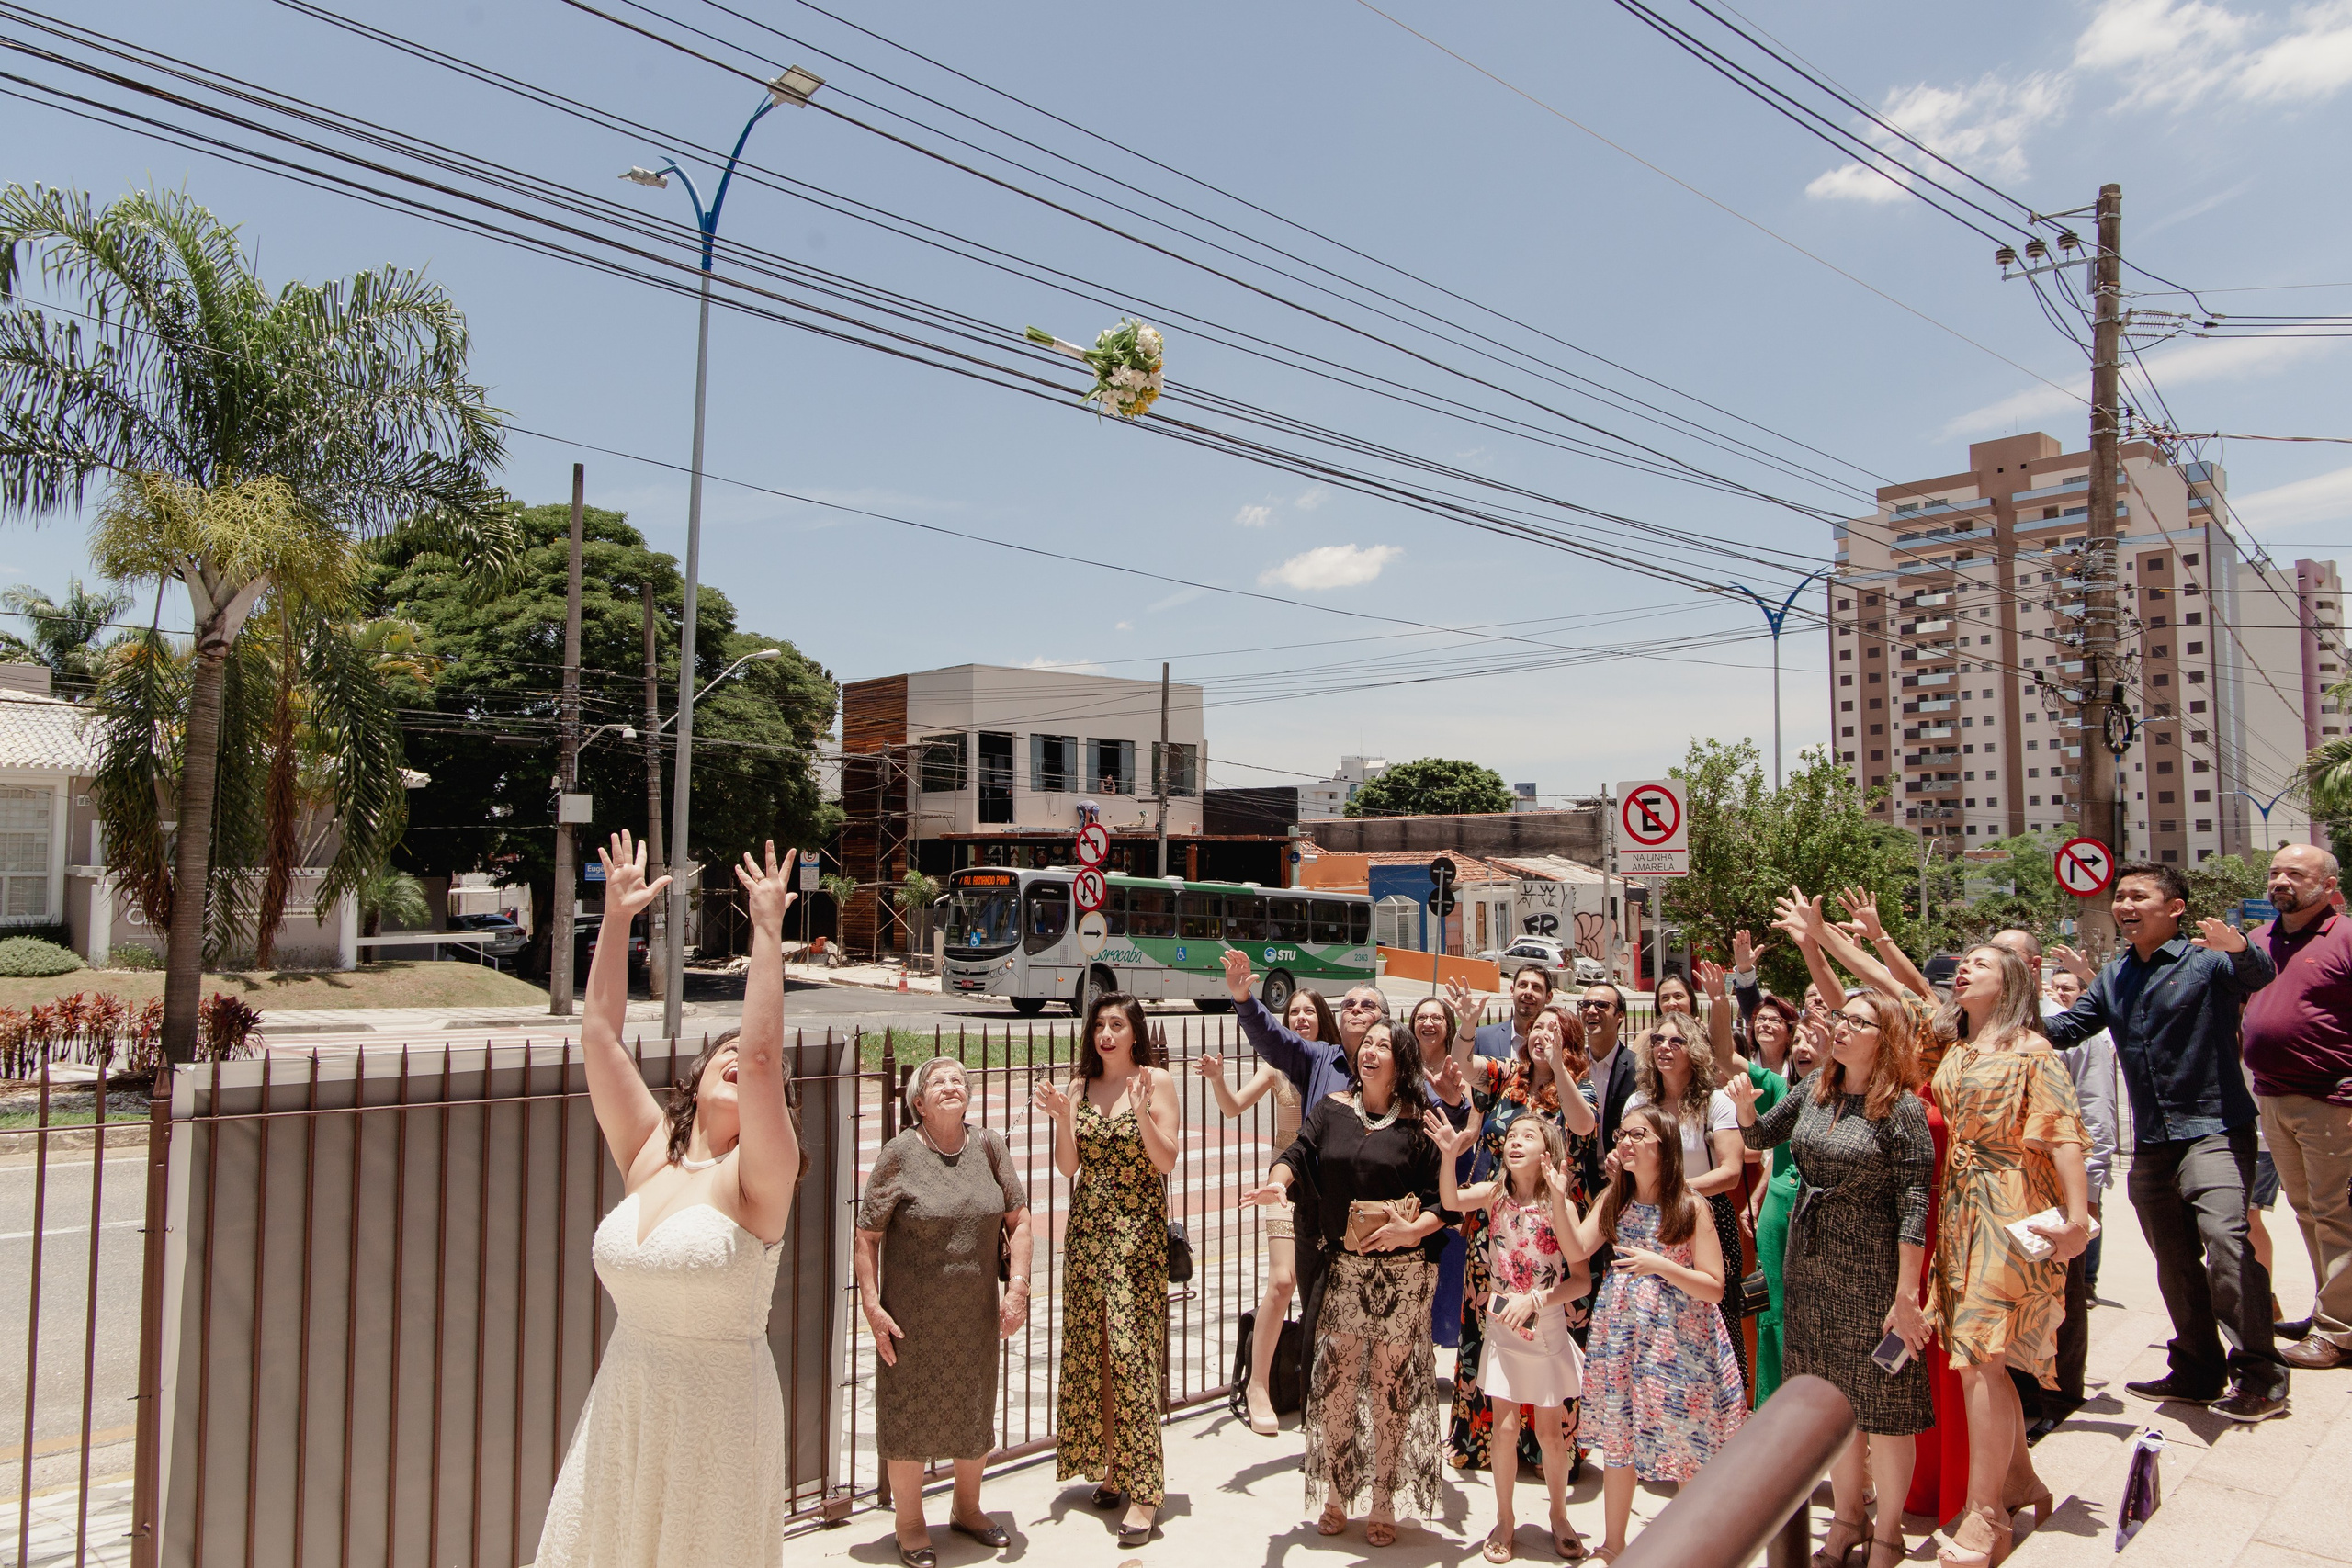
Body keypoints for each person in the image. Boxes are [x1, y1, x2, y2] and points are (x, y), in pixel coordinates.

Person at [537, 835, 805, 1568]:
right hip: (627, 1397)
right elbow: (597, 1035)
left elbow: (757, 1052)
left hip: (713, 1418)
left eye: (757, 1072)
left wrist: (767, 931)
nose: (741, 1061)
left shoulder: (760, 1176)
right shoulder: (653, 1151)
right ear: (694, 1074)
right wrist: (616, 917)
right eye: (719, 1053)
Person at [2045, 863, 2290, 1422]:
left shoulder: (2209, 961)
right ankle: (2199, 1369)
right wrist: (2000, 1013)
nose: (2125, 906)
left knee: (2226, 1240)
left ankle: (2261, 1374)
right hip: (2153, 1142)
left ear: (2174, 908)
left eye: (2139, 896)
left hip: (2214, 1128)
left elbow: (2258, 977)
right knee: (2174, 1261)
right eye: (2120, 898)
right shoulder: (2115, 976)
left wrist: (2242, 950)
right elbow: (2065, 1030)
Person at [1730, 990, 1936, 1568]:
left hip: (1873, 1270)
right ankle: (1848, 1516)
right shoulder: (1818, 1086)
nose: (1840, 1028)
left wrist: (1907, 1295)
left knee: (1885, 1402)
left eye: (1857, 1022)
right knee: (1832, 1398)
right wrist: (1746, 1108)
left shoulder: (1903, 1109)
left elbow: (1916, 1203)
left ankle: (1889, 1534)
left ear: (1885, 1037)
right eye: (1841, 1018)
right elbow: (1761, 1137)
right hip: (1810, 1262)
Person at [1247, 1020, 1450, 1548]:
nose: (1371, 1051)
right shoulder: (1333, 1108)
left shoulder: (1420, 1122)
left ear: (1401, 1061)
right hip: (1345, 1270)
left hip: (1403, 1278)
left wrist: (1412, 1228)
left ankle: (1383, 1499)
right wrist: (1276, 1182)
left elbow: (1444, 1204)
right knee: (1336, 1389)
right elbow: (1297, 1154)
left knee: (1389, 1391)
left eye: (1384, 1044)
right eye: (1368, 1043)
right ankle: (1337, 1492)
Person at [1928, 945, 2091, 1568]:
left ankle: (1985, 1514)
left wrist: (2077, 1220)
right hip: (1961, 1208)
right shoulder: (1960, 1046)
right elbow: (1901, 987)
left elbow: (2063, 1132)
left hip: (2010, 1202)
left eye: (1980, 964)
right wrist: (1831, 941)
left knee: (1980, 1356)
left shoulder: (2033, 1049)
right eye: (1962, 963)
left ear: (2012, 981)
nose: (1964, 969)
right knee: (1978, 1356)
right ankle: (2022, 1484)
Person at [856, 1058, 1034, 1566]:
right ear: (918, 1102)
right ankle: (910, 1522)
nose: (952, 1086)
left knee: (973, 1408)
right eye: (939, 1081)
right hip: (910, 1317)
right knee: (909, 1413)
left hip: (973, 1313)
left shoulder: (988, 1144)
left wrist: (1017, 1287)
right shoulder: (899, 1154)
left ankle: (967, 1508)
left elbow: (1018, 1218)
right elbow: (867, 1236)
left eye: (959, 1079)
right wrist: (871, 1305)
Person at [1034, 993, 1180, 1546]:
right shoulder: (1079, 1087)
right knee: (1094, 1351)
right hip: (1089, 1230)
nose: (1106, 1035)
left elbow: (1166, 1160)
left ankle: (1145, 1490)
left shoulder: (1156, 1082)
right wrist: (1062, 1118)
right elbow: (1069, 1165)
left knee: (1130, 1352)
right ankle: (1114, 1466)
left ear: (1135, 1032)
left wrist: (1141, 1110)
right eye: (1099, 1026)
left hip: (1137, 1231)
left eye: (1117, 1025)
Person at [1568, 1105, 1746, 1561]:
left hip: (1679, 1345)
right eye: (1621, 1134)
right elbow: (1577, 1249)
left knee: (1689, 1444)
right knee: (1619, 1439)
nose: (1624, 1142)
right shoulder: (1614, 1198)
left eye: (1636, 1134)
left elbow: (1714, 1286)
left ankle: (1691, 1549)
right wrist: (1556, 1195)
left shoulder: (1689, 1205)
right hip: (1622, 1342)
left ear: (1661, 1145)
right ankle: (1612, 1545)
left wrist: (1659, 1265)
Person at [1428, 1113, 1595, 1563]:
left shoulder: (1559, 1202)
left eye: (1529, 1136)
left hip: (1545, 1326)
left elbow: (1581, 1278)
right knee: (1501, 1429)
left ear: (1549, 1152)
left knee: (1550, 1433)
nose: (1516, 1142)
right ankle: (1505, 1518)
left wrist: (1539, 1300)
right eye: (1513, 1135)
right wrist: (1449, 1155)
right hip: (1504, 1326)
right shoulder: (1496, 1194)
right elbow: (1450, 1199)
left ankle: (1559, 1516)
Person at [1442, 1000, 1598, 1475]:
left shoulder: (1579, 1086)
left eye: (1554, 1029)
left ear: (1569, 1041)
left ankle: (1552, 1449)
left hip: (1552, 1225)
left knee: (1552, 1330)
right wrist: (1467, 1026)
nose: (1541, 1033)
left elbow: (1583, 1124)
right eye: (1537, 1027)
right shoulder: (1507, 1074)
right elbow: (1464, 1066)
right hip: (1497, 1220)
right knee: (1487, 1331)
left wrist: (1558, 1069)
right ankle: (1480, 1441)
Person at [1196, 988, 1336, 1433]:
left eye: (1308, 1012)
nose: (1300, 1019)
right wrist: (1218, 1079)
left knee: (1328, 1286)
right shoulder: (1277, 1066)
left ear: (1322, 1018)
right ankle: (1258, 1384)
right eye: (1292, 1012)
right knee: (1282, 1281)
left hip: (1328, 1188)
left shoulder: (1337, 1062)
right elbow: (1233, 1107)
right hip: (1282, 1183)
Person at [2238, 844, 2352, 1369]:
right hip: (2273, 1096)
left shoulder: (2347, 937)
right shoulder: (2257, 941)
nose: (2280, 880)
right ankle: (2330, 1311)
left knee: (2338, 1215)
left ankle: (2339, 1330)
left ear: (2328, 886)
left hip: (2333, 1098)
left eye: (2295, 873)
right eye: (2275, 872)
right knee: (2309, 1213)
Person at [1623, 1013, 1750, 1393]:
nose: (1664, 1047)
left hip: (1705, 1220)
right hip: (1647, 1224)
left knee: (1714, 1321)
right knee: (1653, 1325)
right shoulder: (1638, 1100)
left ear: (1693, 1050)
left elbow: (1731, 1171)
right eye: (1658, 1040)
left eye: (1675, 1042)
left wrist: (1677, 1191)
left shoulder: (1717, 1103)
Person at [1744, 994, 1807, 1405]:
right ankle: (1772, 1406)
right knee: (1772, 1310)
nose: (1805, 1049)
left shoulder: (1799, 1086)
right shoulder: (1782, 1087)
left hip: (1818, 1210)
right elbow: (1761, 1147)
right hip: (1777, 1206)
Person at [1478, 964, 1557, 1062]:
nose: (1528, 992)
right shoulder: (1483, 1038)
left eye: (1536, 987)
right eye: (1522, 985)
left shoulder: (1557, 1044)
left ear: (1548, 997)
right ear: (1512, 991)